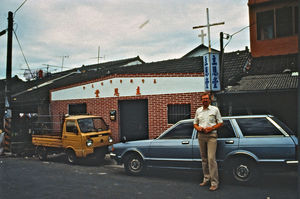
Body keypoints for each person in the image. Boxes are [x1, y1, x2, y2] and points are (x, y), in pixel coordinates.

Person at [193, 93, 223, 191]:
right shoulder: (198, 110)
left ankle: (214, 183)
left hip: (212, 136)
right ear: (201, 101)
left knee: (211, 159)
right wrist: (199, 128)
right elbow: (195, 123)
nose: (205, 100)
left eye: (206, 99)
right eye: (203, 99)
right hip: (201, 135)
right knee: (204, 159)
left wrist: (211, 128)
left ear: (210, 100)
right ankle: (206, 178)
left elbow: (220, 122)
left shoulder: (215, 109)